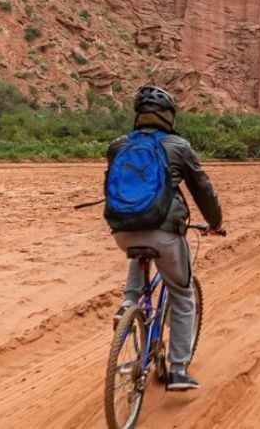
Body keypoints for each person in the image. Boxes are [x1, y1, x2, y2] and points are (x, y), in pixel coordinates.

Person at [105, 85, 223, 392]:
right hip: (165, 231)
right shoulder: (178, 145)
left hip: (122, 229)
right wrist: (214, 222)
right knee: (183, 296)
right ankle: (178, 369)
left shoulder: (118, 146)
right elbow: (203, 190)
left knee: (138, 250)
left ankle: (128, 306)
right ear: (168, 116)